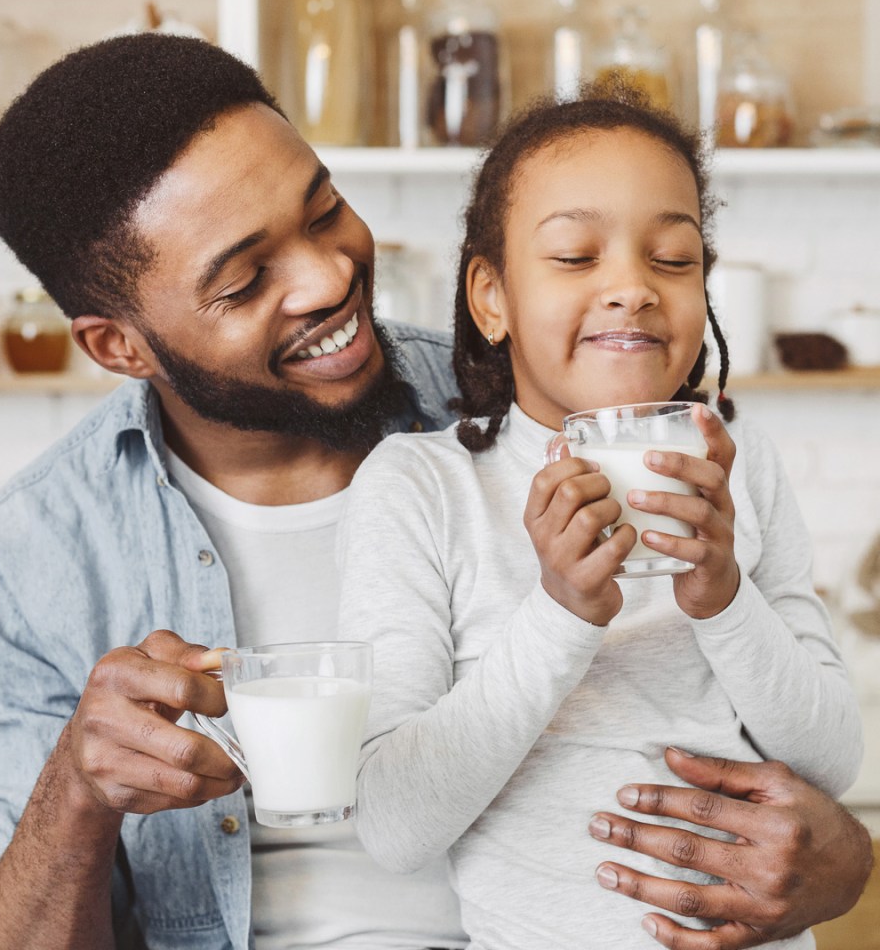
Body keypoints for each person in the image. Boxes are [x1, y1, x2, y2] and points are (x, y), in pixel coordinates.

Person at [0, 33, 872, 950]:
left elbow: (810, 759)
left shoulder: (530, 388)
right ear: (118, 346)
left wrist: (838, 859)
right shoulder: (34, 557)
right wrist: (78, 797)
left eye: (325, 208)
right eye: (249, 278)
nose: (331, 276)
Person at [337, 91, 866, 949]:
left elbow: (831, 759)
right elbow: (394, 825)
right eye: (577, 256)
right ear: (490, 297)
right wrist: (560, 614)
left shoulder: (742, 465)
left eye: (673, 257)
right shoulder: (423, 487)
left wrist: (724, 598)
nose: (632, 288)